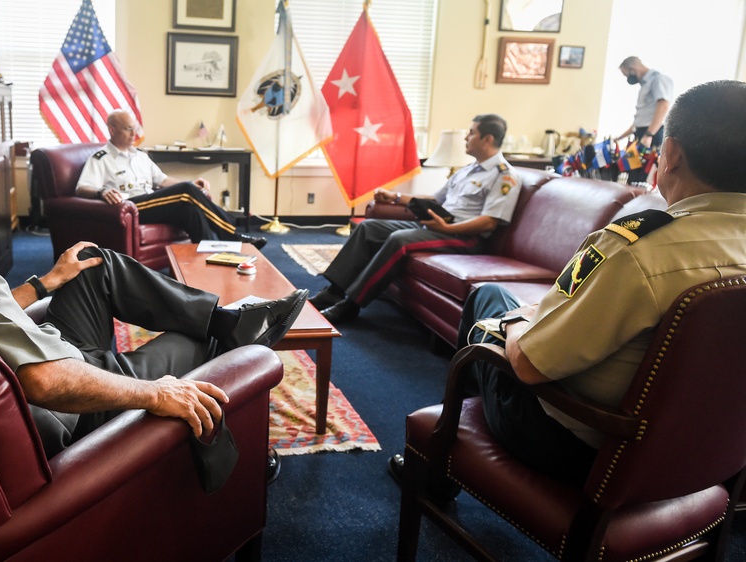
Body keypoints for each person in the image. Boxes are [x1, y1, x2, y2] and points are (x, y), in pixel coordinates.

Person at [0, 141, 308, 461]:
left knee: (93, 263)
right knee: (194, 346)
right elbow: (47, 380)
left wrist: (45, 283)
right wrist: (158, 393)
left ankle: (223, 319)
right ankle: (235, 451)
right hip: (66, 402)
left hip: (23, 368)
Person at [389, 80, 746, 485]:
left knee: (489, 301)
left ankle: (433, 471)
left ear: (673, 154)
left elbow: (529, 364)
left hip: (587, 445)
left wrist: (518, 322)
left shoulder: (638, 248)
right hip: (713, 454)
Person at [310, 114, 522, 324]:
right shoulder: (467, 170)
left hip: (465, 237)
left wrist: (447, 228)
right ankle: (334, 291)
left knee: (399, 240)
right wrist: (396, 197)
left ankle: (351, 305)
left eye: (472, 133)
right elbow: (435, 199)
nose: (466, 137)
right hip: (439, 225)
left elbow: (489, 221)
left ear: (488, 139)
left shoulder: (504, 176)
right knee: (369, 228)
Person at [76, 110, 267, 249]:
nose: (134, 134)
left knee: (190, 209)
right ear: (112, 130)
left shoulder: (140, 156)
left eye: (135, 129)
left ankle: (210, 257)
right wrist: (102, 192)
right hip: (130, 207)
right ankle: (231, 234)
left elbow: (163, 180)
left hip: (151, 203)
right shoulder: (101, 158)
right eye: (128, 129)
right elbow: (82, 188)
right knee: (185, 191)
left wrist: (192, 185)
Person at [616, 56, 674, 184]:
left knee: (642, 178)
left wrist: (649, 135)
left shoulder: (657, 80)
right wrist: (620, 138)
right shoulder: (645, 84)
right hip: (642, 133)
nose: (628, 79)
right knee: (633, 174)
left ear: (632, 68)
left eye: (627, 75)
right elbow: (641, 119)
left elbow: (663, 106)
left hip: (651, 134)